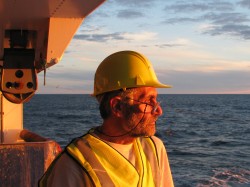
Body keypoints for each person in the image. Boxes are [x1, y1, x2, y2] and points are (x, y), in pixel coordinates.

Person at [39, 50, 174, 187]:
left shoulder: (154, 148)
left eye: (156, 101)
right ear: (118, 107)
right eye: (148, 102)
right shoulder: (73, 165)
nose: (159, 111)